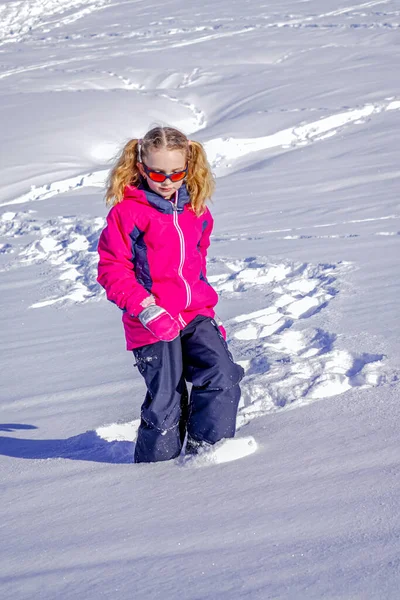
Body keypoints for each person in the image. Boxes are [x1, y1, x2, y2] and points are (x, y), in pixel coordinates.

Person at [97, 126, 244, 463]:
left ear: (188, 167)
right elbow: (111, 269)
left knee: (222, 375)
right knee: (165, 399)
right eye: (156, 172)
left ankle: (208, 457)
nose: (166, 181)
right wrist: (146, 309)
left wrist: (209, 313)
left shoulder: (197, 212)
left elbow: (197, 267)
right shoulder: (127, 213)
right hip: (149, 321)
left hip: (194, 315)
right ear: (140, 167)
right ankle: (156, 477)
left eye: (176, 172)